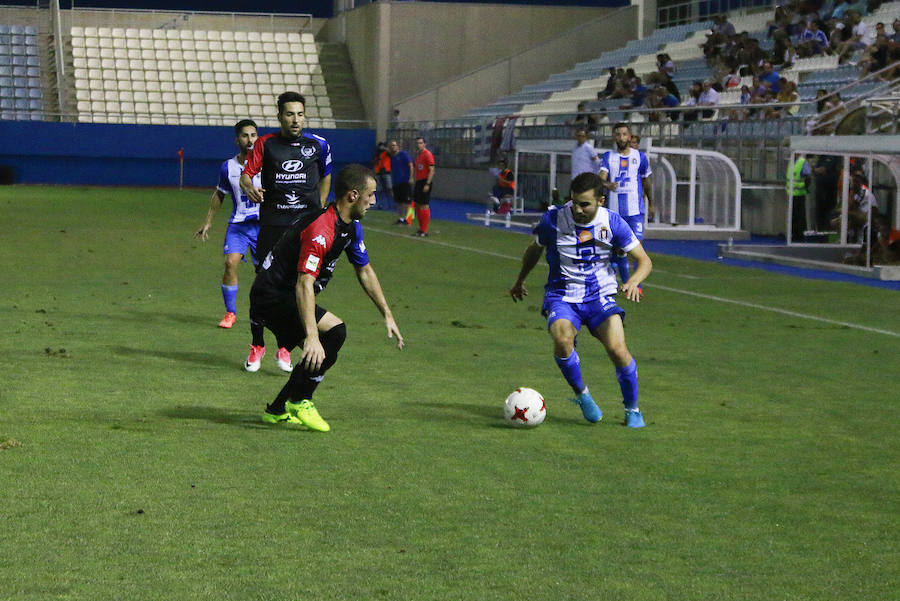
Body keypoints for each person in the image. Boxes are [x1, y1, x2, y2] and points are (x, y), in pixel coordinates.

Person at [253, 164, 404, 431]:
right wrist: (311, 336)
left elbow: (365, 270)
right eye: (371, 194)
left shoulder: (350, 227)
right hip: (273, 296)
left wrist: (387, 313)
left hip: (287, 293)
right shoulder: (322, 230)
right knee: (333, 335)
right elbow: (304, 283)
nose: (374, 201)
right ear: (353, 196)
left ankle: (277, 409)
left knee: (325, 344)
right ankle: (300, 400)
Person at [509, 172, 652, 428]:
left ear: (601, 201)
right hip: (562, 296)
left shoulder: (614, 223)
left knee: (619, 351)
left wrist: (633, 281)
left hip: (600, 296)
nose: (577, 208)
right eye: (574, 202)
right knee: (563, 341)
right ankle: (582, 395)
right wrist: (520, 280)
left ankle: (633, 409)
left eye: (584, 204)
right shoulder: (553, 220)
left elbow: (644, 260)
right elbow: (534, 249)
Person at [240, 91, 333, 373]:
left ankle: (285, 345)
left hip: (305, 229)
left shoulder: (319, 145)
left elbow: (327, 175)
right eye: (290, 114)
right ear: (280, 115)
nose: (296, 119)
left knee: (297, 290)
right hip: (273, 226)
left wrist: (320, 207)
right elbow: (247, 175)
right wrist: (248, 187)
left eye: (300, 114)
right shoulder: (266, 144)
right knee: (262, 290)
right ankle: (257, 344)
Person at [193, 119, 261, 330]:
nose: (249, 140)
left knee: (266, 274)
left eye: (253, 135)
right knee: (230, 263)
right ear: (237, 140)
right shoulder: (228, 167)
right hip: (239, 226)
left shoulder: (268, 164)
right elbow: (219, 195)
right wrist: (208, 222)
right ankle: (230, 312)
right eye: (245, 136)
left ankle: (265, 312)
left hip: (264, 227)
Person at [599, 122, 653, 287]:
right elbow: (601, 179)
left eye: (624, 134)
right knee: (619, 249)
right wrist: (608, 185)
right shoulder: (608, 156)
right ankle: (625, 283)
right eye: (618, 134)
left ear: (629, 137)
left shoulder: (640, 157)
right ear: (614, 137)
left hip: (635, 211)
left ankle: (636, 285)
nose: (621, 137)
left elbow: (646, 181)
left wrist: (651, 203)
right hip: (614, 212)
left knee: (637, 248)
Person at [413, 136, 435, 237]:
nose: (419, 145)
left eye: (421, 143)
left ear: (424, 144)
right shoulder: (418, 156)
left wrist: (428, 183)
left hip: (425, 181)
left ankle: (424, 230)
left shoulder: (427, 154)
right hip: (419, 181)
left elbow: (431, 170)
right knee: (417, 204)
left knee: (424, 205)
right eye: (417, 143)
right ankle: (421, 228)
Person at [388, 139, 414, 225]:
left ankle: (408, 218)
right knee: (399, 201)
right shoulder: (392, 158)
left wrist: (410, 177)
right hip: (396, 181)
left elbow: (410, 165)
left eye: (394, 145)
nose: (393, 147)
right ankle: (401, 218)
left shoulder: (403, 154)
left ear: (397, 146)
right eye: (391, 146)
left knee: (407, 201)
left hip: (404, 180)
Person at [787, 154, 813, 241]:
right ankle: (794, 235)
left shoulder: (802, 162)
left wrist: (804, 187)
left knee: (799, 216)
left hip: (799, 194)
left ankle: (799, 236)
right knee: (793, 216)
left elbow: (808, 177)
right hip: (791, 194)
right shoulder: (791, 162)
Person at [372, 141, 393, 209]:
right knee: (379, 190)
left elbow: (390, 153)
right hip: (379, 173)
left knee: (389, 189)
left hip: (386, 173)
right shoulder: (377, 154)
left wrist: (384, 148)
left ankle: (391, 204)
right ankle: (381, 204)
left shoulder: (386, 153)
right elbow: (375, 164)